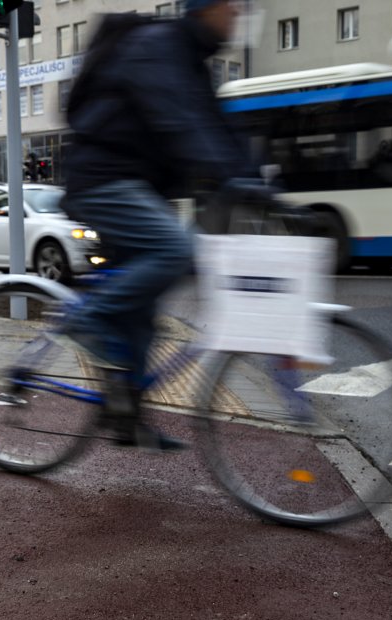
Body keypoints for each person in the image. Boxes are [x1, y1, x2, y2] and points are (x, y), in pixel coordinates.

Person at [61, 0, 255, 450]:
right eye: (232, 8)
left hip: (136, 186)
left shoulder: (192, 60)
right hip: (102, 180)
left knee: (143, 313)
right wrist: (229, 176)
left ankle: (127, 416)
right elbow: (179, 123)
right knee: (177, 250)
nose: (238, 17)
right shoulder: (158, 46)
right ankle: (89, 321)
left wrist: (256, 180)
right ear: (206, 8)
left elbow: (216, 128)